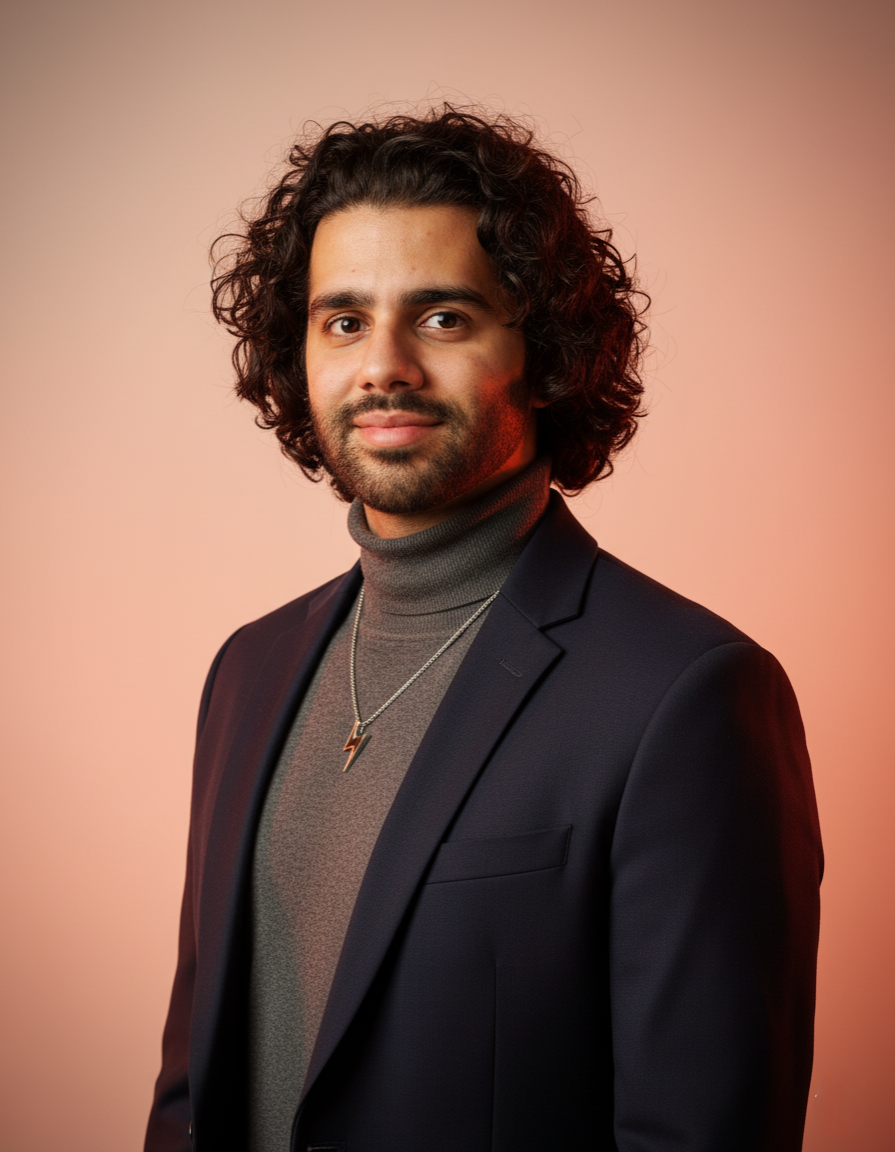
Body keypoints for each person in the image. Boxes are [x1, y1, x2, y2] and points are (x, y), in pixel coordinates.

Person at [145, 106, 823, 1152]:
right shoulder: (248, 668)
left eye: (443, 317)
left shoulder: (688, 694)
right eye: (342, 321)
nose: (384, 368)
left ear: (542, 350)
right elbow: (193, 1091)